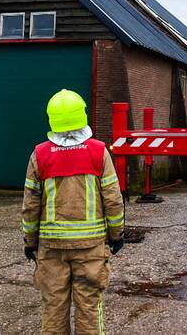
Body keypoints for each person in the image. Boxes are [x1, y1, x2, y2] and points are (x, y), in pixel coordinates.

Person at [22, 89, 125, 334]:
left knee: (54, 310)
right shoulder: (99, 151)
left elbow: (30, 205)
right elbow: (113, 199)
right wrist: (116, 234)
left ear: (51, 118)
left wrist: (30, 241)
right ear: (83, 115)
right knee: (89, 308)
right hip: (90, 248)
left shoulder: (40, 154)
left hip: (52, 248)